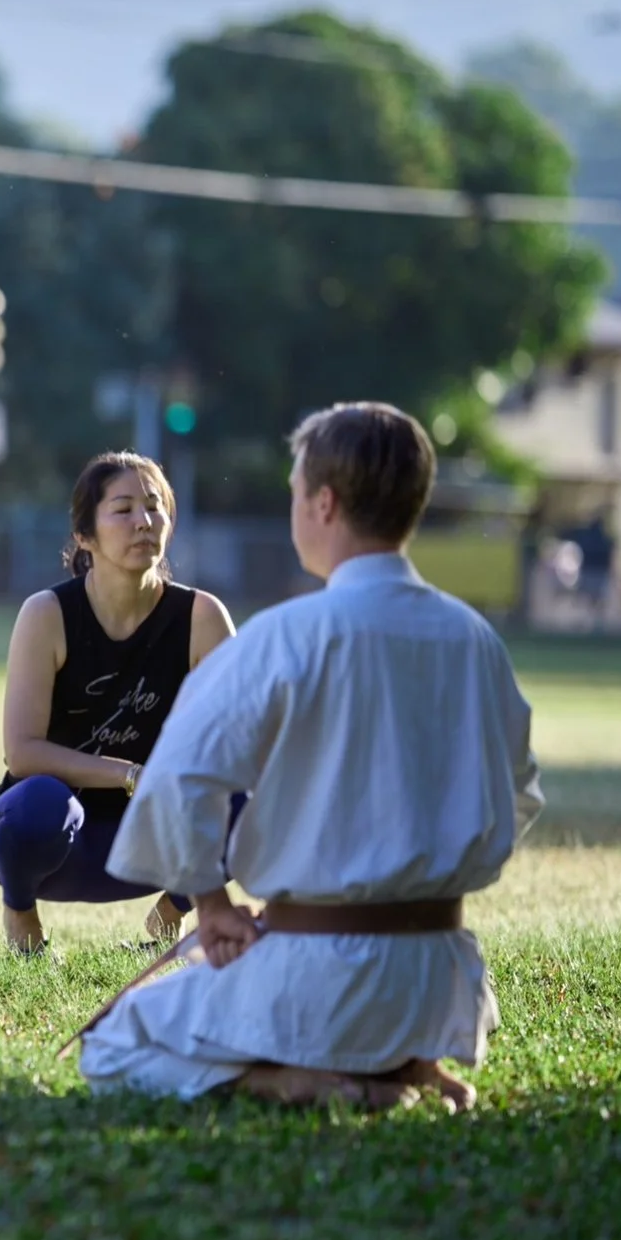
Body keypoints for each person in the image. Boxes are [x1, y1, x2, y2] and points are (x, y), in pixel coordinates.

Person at [82, 402, 543, 1110]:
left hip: (319, 968)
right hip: (437, 980)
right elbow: (519, 792)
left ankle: (299, 1080)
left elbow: (178, 775)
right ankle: (396, 1065)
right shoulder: (473, 637)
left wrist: (209, 901)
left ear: (323, 503)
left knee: (111, 1045)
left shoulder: (288, 635)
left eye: (297, 490)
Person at [0, 452, 237, 954]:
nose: (143, 522)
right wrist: (130, 773)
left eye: (154, 507)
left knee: (254, 793)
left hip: (158, 842)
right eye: (122, 510)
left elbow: (242, 740)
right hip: (54, 843)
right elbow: (23, 754)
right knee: (37, 803)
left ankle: (170, 914)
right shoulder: (46, 613)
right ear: (84, 535)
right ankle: (21, 916)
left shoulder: (202, 616)